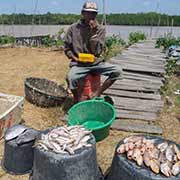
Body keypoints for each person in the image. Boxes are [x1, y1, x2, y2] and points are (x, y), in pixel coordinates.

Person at [64, 1, 123, 103]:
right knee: (70, 78)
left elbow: (98, 51)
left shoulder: (100, 29)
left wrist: (93, 35)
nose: (91, 15)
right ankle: (76, 99)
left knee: (117, 71)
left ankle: (97, 93)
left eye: (93, 13)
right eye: (88, 12)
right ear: (83, 13)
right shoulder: (73, 28)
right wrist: (75, 58)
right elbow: (67, 48)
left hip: (95, 63)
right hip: (79, 64)